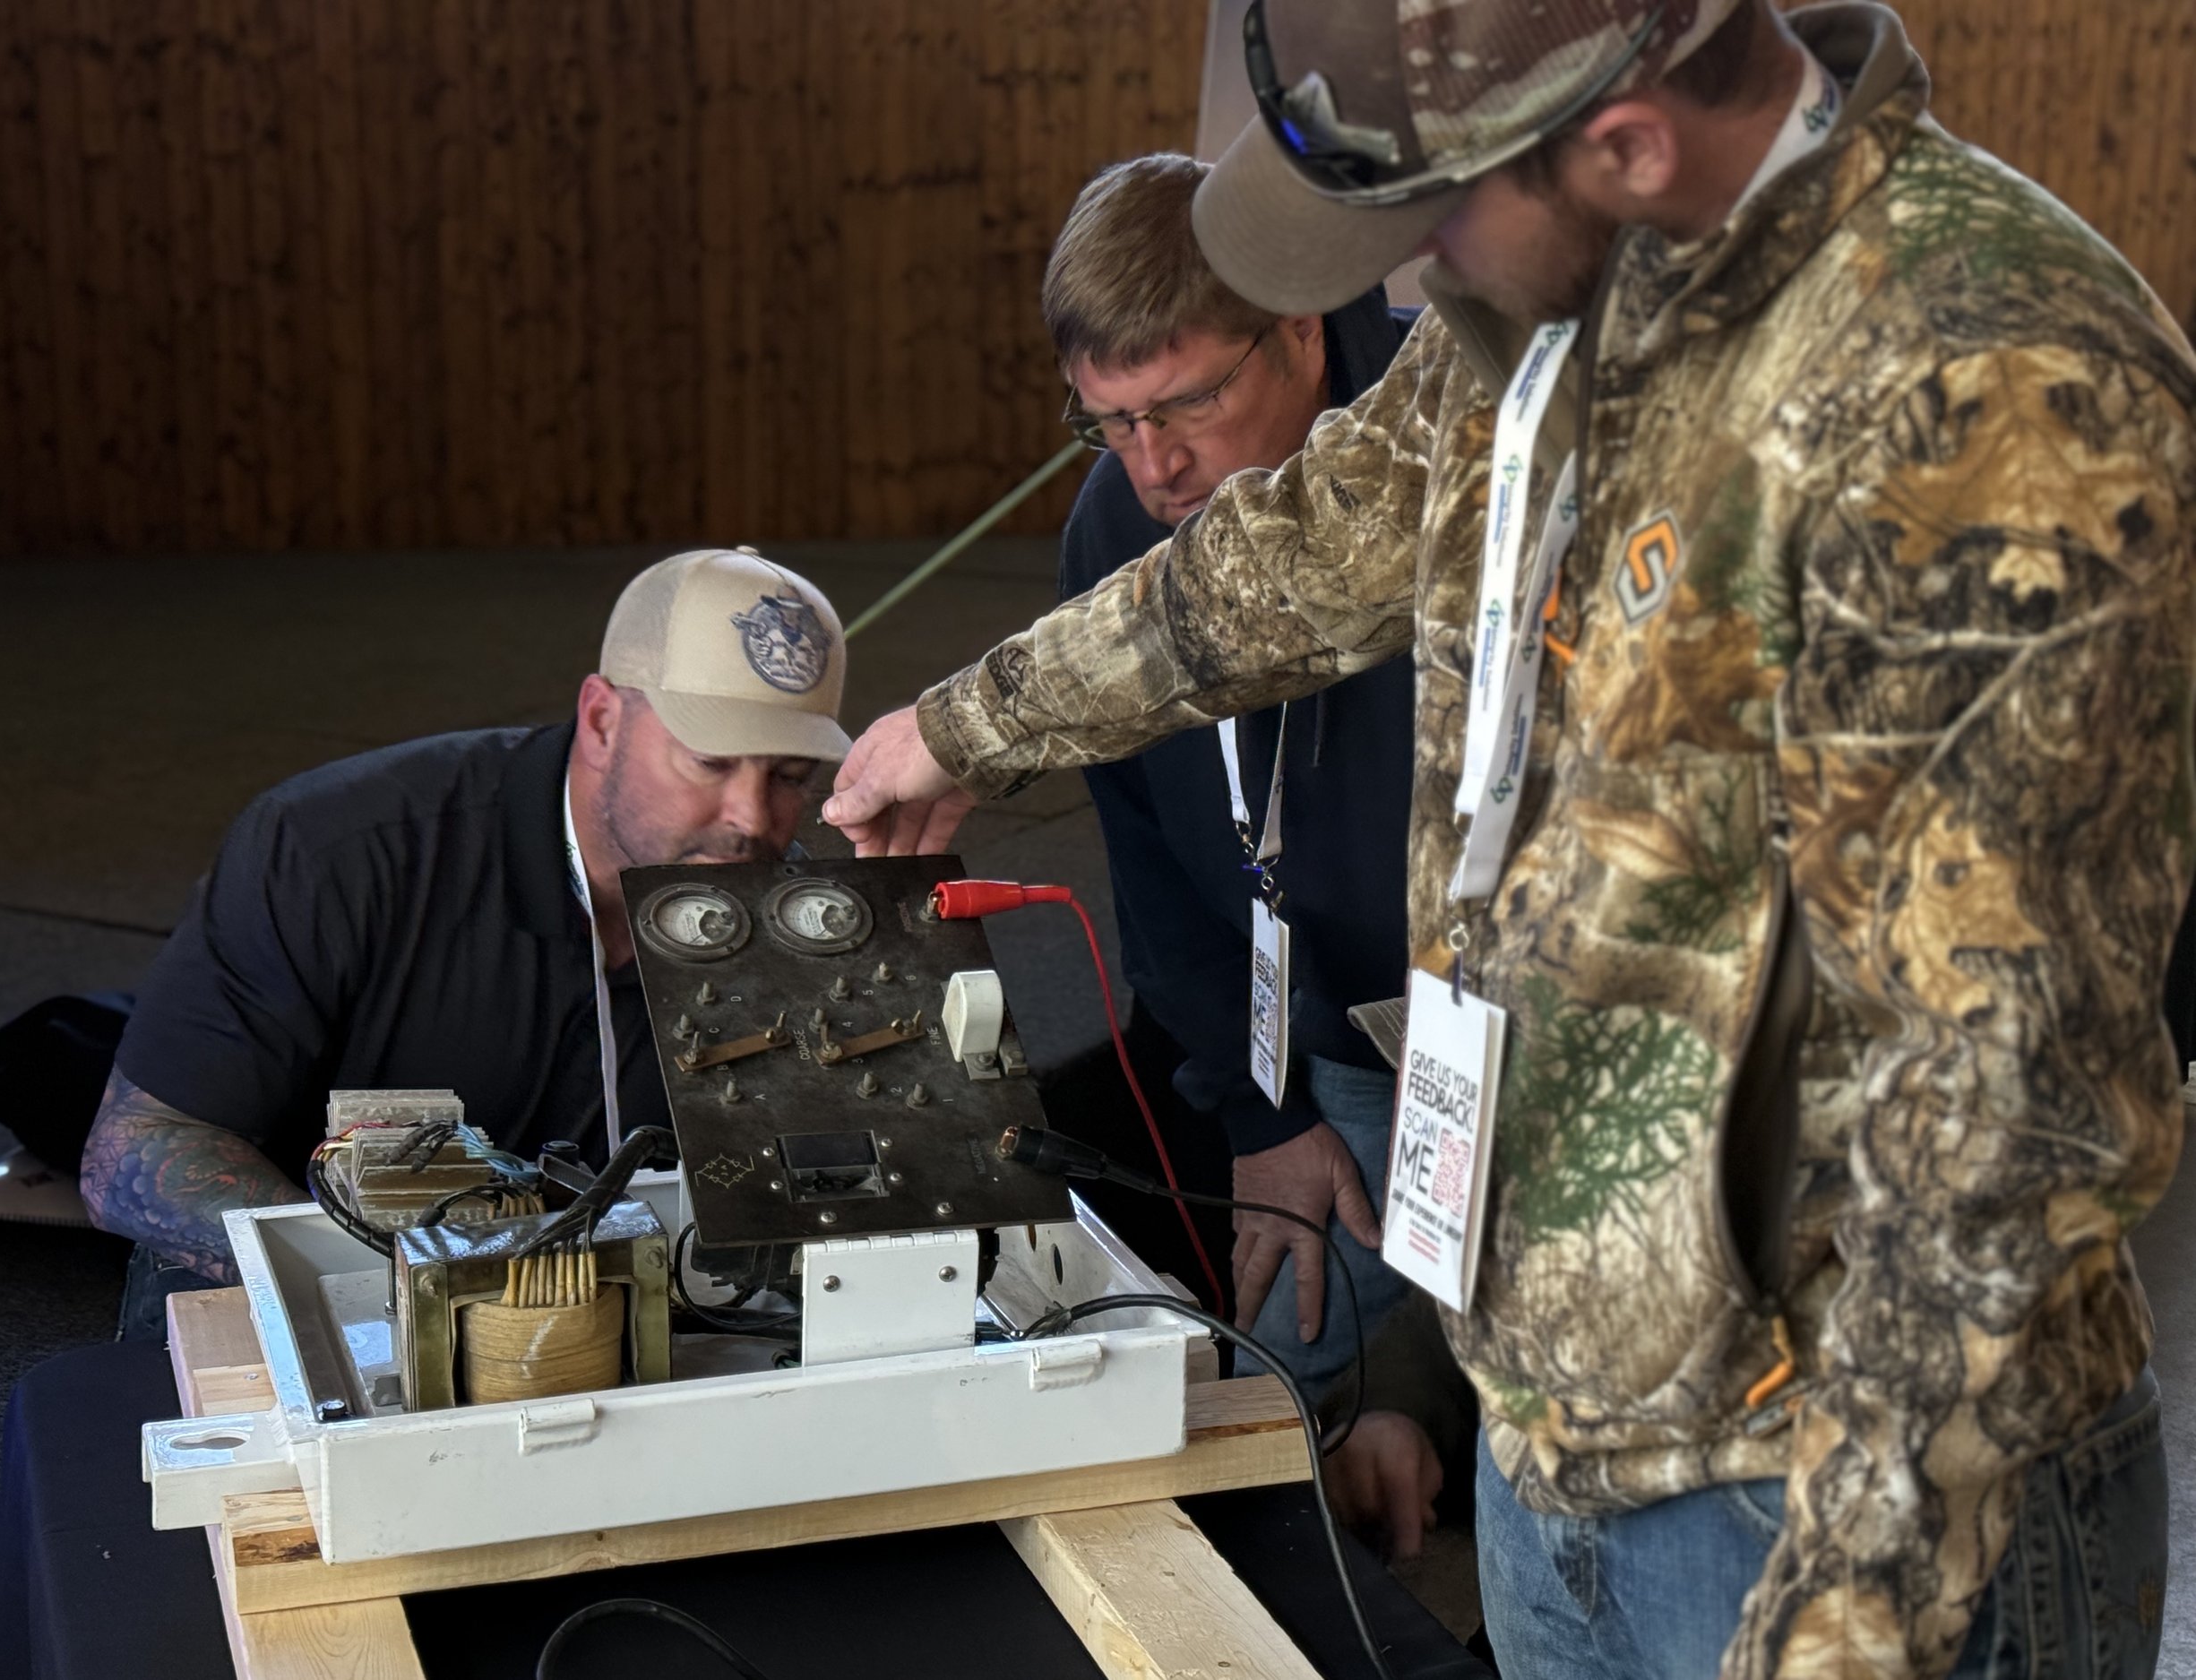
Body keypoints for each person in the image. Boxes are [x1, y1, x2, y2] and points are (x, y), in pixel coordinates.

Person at [820, 2, 2196, 1675]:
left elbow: (2010, 1105)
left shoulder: (1984, 386)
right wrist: (961, 728)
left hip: (1831, 1510)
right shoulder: (1556, 294)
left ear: (1621, 142)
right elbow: (1312, 542)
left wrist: (1848, 1622)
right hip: (1567, 1435)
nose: (1398, 282)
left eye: (1425, 221)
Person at [81, 549, 850, 1340]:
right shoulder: (335, 850)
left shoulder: (792, 917)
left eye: (792, 775)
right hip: (330, 1292)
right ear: (601, 720)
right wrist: (403, 1288)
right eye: (710, 761)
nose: (754, 818)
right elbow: (136, 1151)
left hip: (614, 1305)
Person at [1047, 151, 1418, 1394]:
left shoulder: (1456, 442)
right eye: (1110, 418)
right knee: (1280, 1373)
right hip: (1326, 1050)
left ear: (1300, 327)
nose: (1153, 466)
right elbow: (1148, 861)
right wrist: (1262, 1116)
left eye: (1188, 405)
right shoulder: (1116, 525)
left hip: (1543, 1038)